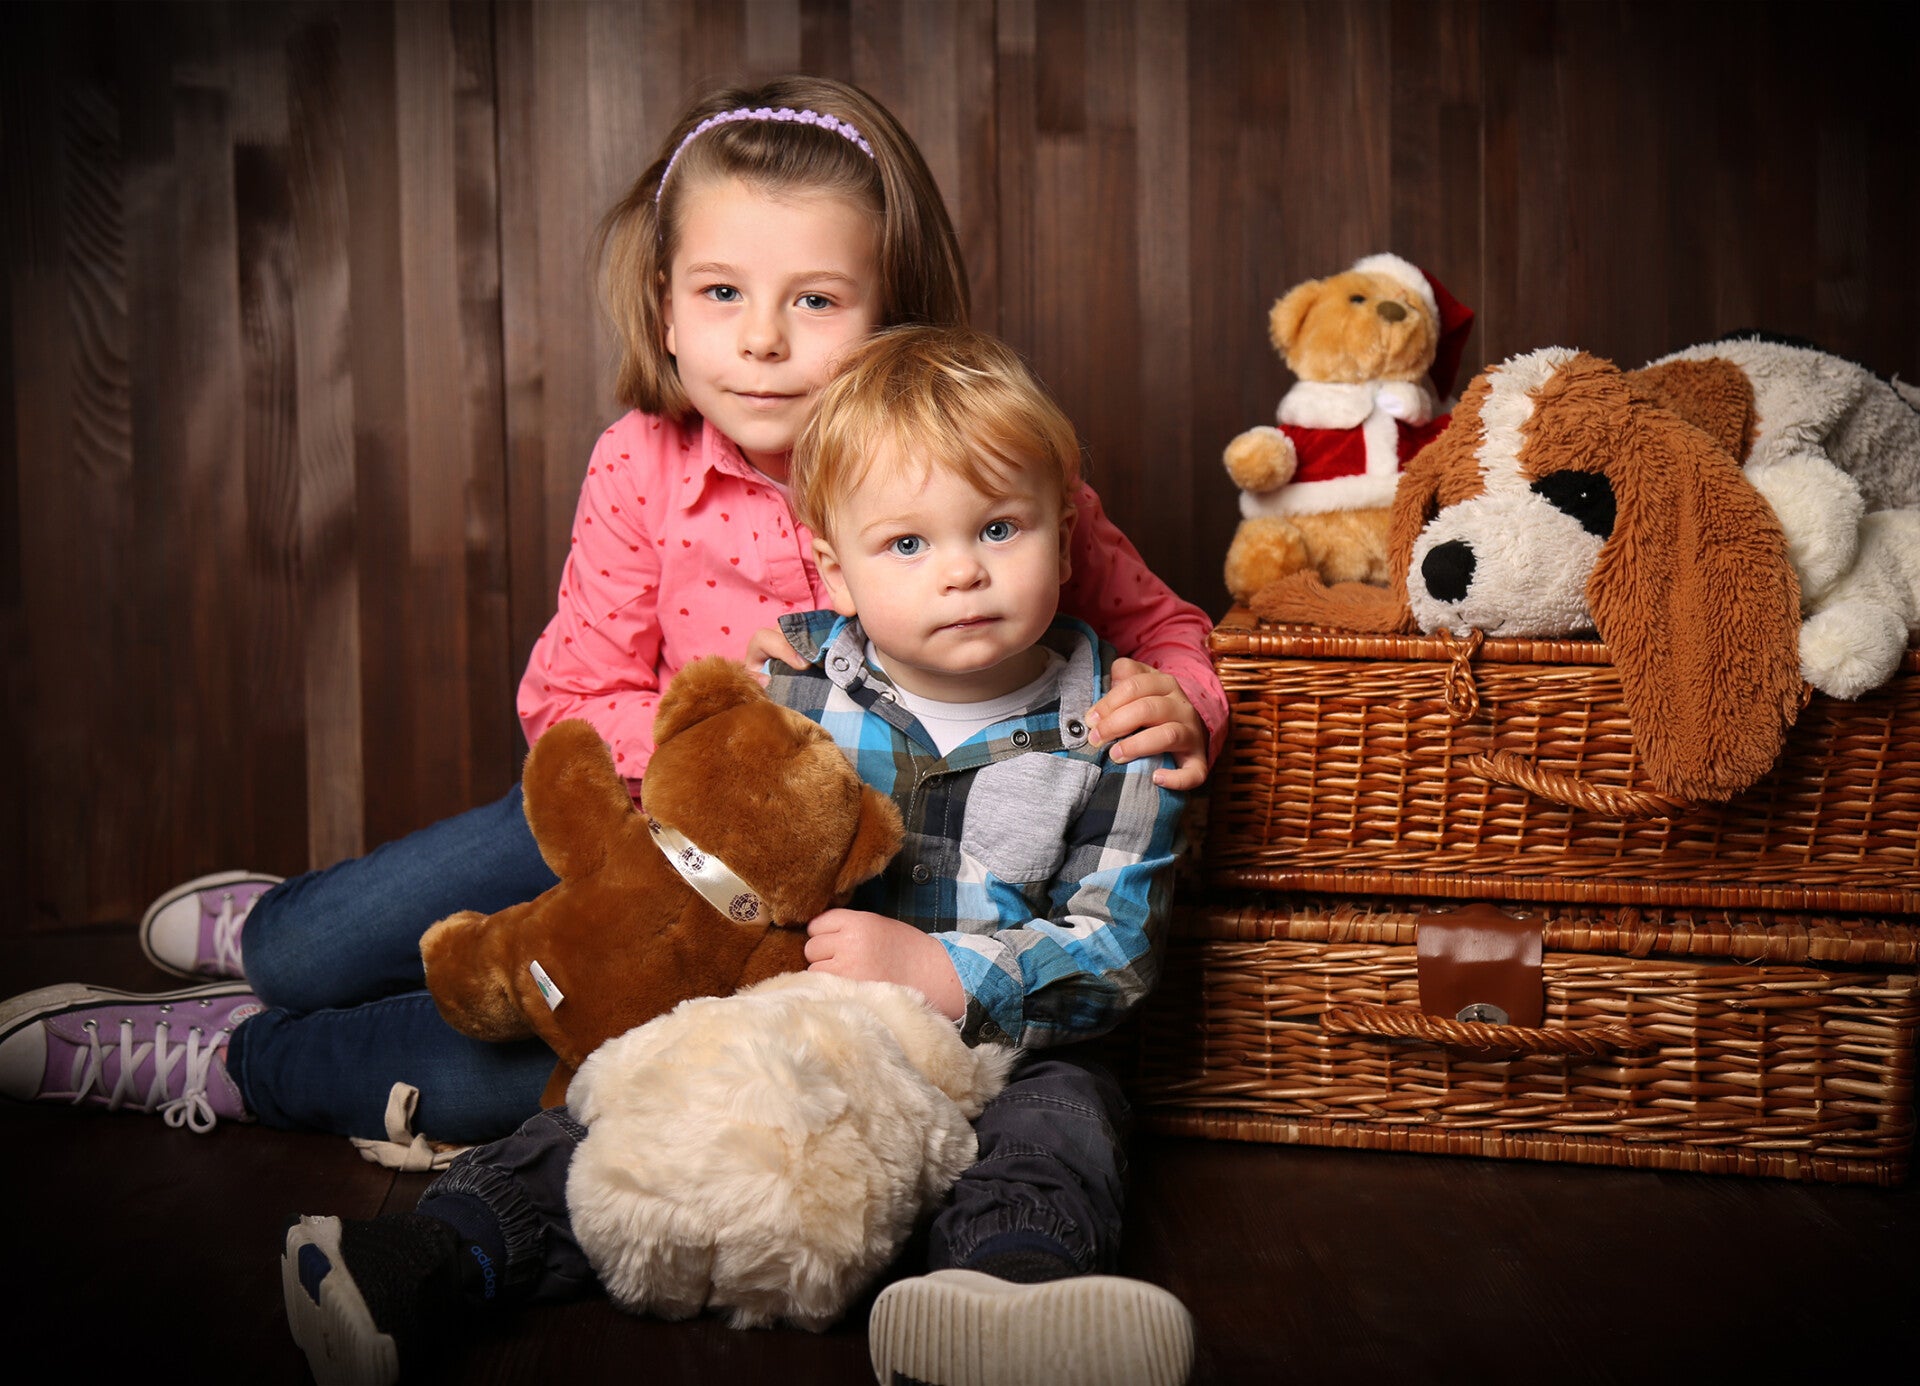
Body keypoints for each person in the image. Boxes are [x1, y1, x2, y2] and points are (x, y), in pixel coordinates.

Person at [0, 76, 1223, 1147]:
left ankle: (232, 1061)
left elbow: (1166, 627)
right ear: (665, 307)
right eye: (722, 291)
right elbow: (572, 700)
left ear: (895, 311)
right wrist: (723, 761)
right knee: (312, 954)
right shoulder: (644, 464)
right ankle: (272, 946)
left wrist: (1178, 703)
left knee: (525, 1065)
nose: (761, 340)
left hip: (800, 915)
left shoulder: (982, 478)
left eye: (816, 301)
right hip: (632, 809)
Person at [282, 324, 1197, 1386]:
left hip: (1004, 1053)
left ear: (1066, 543)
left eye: (999, 528)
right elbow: (710, 872)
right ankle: (436, 1258)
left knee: (1067, 1125)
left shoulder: (1119, 729)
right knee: (640, 1094)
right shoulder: (796, 692)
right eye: (907, 545)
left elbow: (1117, 950)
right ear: (836, 571)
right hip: (785, 1021)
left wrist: (943, 973)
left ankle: (1008, 1303)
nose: (961, 572)